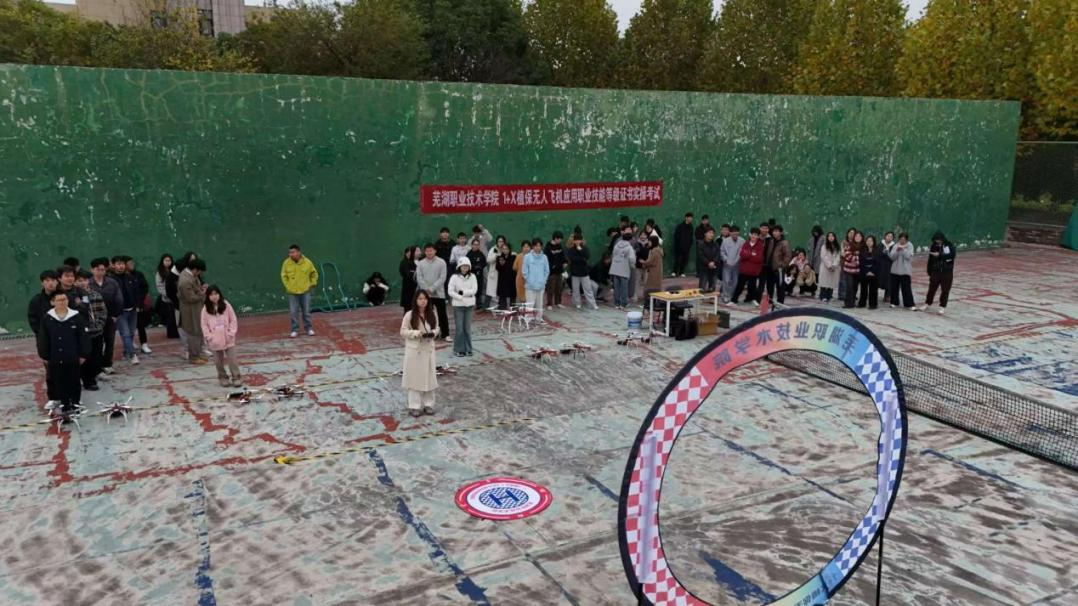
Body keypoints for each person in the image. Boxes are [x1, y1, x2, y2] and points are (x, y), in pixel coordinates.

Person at [36, 290, 89, 415]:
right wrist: (44, 355)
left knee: (74, 380)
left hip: (73, 356)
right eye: (59, 300)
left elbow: (83, 337)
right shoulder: (47, 318)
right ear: (52, 302)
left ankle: (75, 403)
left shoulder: (76, 317)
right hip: (55, 357)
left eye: (64, 299)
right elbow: (43, 338)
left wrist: (83, 354)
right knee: (59, 381)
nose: (62, 302)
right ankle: (64, 405)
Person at [400, 290, 439, 417]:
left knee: (429, 377)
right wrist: (415, 333)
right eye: (420, 298)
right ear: (416, 300)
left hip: (428, 349)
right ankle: (414, 406)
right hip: (415, 350)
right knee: (414, 378)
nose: (423, 301)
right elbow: (403, 331)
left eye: (425, 298)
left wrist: (433, 333)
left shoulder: (432, 313)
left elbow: (437, 328)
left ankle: (429, 404)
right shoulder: (409, 315)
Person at [201, 285, 241, 388]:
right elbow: (204, 324)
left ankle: (236, 377)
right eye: (211, 295)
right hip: (214, 340)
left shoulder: (226, 305)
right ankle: (223, 377)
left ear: (219, 294)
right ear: (208, 296)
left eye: (216, 294)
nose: (214, 296)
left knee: (232, 359)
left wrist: (231, 333)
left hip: (228, 338)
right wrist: (209, 336)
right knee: (218, 361)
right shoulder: (205, 309)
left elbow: (233, 319)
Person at [72, 271, 105, 391]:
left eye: (85, 280)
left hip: (96, 331)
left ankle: (91, 378)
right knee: (84, 358)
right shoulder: (73, 297)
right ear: (75, 282)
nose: (82, 283)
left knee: (95, 357)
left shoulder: (95, 294)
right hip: (82, 333)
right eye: (79, 280)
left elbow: (102, 311)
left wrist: (99, 325)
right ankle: (87, 381)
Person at [88, 258, 122, 374]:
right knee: (96, 343)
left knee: (109, 341)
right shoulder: (88, 283)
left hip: (109, 318)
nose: (100, 272)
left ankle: (107, 364)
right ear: (92, 270)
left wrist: (115, 315)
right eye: (98, 269)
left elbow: (118, 299)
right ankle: (97, 365)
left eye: (102, 270)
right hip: (93, 319)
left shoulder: (112, 283)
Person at [281, 244, 318, 338]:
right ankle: (294, 330)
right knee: (293, 312)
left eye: (293, 252)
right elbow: (283, 276)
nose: (291, 254)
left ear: (298, 252)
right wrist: (288, 286)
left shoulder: (307, 262)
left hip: (305, 291)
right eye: (289, 252)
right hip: (292, 292)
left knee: (306, 311)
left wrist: (312, 283)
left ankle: (309, 328)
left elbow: (314, 273)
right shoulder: (286, 263)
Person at [110, 255, 141, 364]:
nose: (121, 266)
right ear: (113, 265)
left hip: (132, 309)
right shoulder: (111, 280)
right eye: (118, 264)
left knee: (131, 333)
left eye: (122, 264)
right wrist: (114, 311)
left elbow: (137, 292)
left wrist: (137, 305)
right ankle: (133, 355)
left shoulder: (130, 277)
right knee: (125, 333)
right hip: (120, 311)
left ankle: (126, 352)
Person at [416, 243, 450, 340]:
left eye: (431, 250)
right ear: (425, 252)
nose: (429, 252)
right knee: (429, 315)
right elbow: (419, 278)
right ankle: (433, 333)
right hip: (425, 295)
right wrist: (426, 289)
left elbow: (443, 277)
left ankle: (445, 334)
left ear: (435, 251)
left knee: (442, 314)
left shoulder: (441, 262)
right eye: (427, 251)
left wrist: (432, 288)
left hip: (439, 293)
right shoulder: (421, 263)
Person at [179, 259, 209, 365]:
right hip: (190, 310)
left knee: (199, 331)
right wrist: (203, 293)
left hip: (196, 308)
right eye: (200, 271)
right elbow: (191, 298)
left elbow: (195, 290)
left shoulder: (190, 276)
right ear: (195, 269)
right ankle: (193, 357)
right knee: (193, 333)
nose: (200, 274)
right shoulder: (185, 280)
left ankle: (198, 354)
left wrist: (200, 289)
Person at [448, 258, 478, 357]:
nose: (465, 268)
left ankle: (468, 349)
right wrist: (459, 297)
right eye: (463, 266)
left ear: (469, 267)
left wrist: (463, 292)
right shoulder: (454, 277)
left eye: (467, 266)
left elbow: (474, 290)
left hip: (469, 305)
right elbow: (450, 291)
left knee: (467, 329)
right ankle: (459, 349)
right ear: (459, 267)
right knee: (459, 329)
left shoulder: (472, 276)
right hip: (458, 306)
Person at [123, 257, 153, 355]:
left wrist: (139, 300)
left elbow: (145, 287)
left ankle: (144, 344)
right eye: (129, 263)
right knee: (128, 328)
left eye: (132, 262)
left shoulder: (139, 274)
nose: (132, 264)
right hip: (126, 306)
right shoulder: (121, 277)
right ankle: (130, 344)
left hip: (138, 304)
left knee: (141, 325)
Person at [924, 231, 956, 314]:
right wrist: (929, 270)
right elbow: (930, 259)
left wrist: (940, 255)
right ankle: (927, 303)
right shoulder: (934, 246)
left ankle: (942, 306)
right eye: (936, 240)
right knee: (932, 288)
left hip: (947, 271)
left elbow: (952, 256)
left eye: (939, 239)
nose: (937, 241)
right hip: (936, 270)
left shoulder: (949, 245)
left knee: (945, 290)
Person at [731, 228, 764, 305]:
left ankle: (752, 299)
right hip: (744, 270)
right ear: (750, 234)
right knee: (739, 286)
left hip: (753, 271)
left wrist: (748, 254)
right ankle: (733, 300)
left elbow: (759, 258)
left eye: (756, 235)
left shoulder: (760, 246)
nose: (753, 236)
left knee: (752, 287)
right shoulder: (745, 243)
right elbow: (742, 254)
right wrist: (752, 254)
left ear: (758, 236)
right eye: (752, 234)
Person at [566, 234, 598, 310]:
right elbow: (572, 258)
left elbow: (587, 256)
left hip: (584, 272)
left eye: (579, 240)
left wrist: (580, 250)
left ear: (581, 240)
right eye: (576, 240)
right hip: (575, 272)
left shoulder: (585, 248)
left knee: (588, 289)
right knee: (575, 289)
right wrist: (582, 259)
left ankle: (592, 304)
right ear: (573, 241)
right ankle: (577, 303)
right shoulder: (571, 250)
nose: (577, 241)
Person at [523, 238, 550, 323]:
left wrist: (543, 281)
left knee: (539, 304)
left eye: (539, 246)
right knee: (530, 303)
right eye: (536, 246)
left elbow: (546, 270)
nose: (538, 247)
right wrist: (529, 280)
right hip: (530, 286)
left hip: (540, 285)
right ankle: (528, 318)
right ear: (533, 246)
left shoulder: (544, 257)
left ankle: (539, 318)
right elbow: (524, 271)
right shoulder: (527, 257)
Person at [888, 233, 917, 310]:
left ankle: (909, 304)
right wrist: (897, 251)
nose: (902, 241)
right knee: (894, 287)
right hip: (895, 270)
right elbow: (892, 257)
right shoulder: (895, 245)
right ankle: (894, 302)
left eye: (904, 239)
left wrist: (903, 250)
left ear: (906, 240)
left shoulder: (910, 245)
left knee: (906, 288)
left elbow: (909, 257)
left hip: (905, 270)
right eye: (900, 239)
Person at [27, 270, 60, 337]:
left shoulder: (64, 298)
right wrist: (41, 333)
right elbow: (33, 319)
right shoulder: (36, 300)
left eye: (53, 280)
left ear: (57, 282)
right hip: (44, 337)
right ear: (42, 283)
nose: (50, 283)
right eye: (47, 280)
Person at [155, 254, 180, 339]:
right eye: (166, 260)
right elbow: (159, 287)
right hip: (167, 299)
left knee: (176, 317)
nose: (168, 262)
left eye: (169, 260)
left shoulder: (174, 271)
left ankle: (176, 332)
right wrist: (168, 294)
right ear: (162, 262)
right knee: (170, 317)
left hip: (176, 298)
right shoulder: (159, 272)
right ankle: (172, 334)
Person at [610, 231, 636, 310]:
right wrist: (632, 265)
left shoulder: (616, 246)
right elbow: (632, 259)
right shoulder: (629, 248)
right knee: (624, 288)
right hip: (624, 269)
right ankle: (623, 304)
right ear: (630, 239)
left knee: (616, 287)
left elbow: (613, 255)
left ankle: (616, 303)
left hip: (615, 269)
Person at [767, 225, 792, 304]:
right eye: (774, 231)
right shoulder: (771, 241)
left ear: (781, 232)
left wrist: (782, 265)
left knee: (780, 287)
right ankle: (770, 301)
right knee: (769, 286)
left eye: (777, 231)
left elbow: (788, 256)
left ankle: (780, 303)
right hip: (770, 267)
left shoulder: (784, 243)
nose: (775, 233)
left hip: (779, 269)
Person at [544, 231, 567, 309]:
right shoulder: (548, 247)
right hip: (552, 272)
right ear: (555, 238)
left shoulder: (559, 246)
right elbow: (546, 259)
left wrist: (565, 262)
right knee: (551, 288)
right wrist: (553, 266)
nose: (560, 241)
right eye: (559, 239)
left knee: (559, 288)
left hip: (559, 271)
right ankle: (549, 304)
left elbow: (562, 256)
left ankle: (558, 303)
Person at [720, 226, 743, 303]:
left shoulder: (742, 241)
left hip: (737, 265)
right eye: (733, 234)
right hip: (727, 264)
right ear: (730, 233)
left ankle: (732, 295)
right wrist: (725, 259)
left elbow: (742, 252)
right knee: (726, 280)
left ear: (739, 233)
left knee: (735, 281)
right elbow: (722, 252)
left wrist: (738, 261)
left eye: (736, 234)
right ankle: (725, 296)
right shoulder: (725, 241)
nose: (735, 236)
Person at [858, 235, 881, 309]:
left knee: (873, 289)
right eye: (867, 241)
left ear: (874, 242)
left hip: (874, 273)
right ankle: (862, 303)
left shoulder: (877, 251)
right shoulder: (862, 250)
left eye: (871, 241)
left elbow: (878, 263)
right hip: (864, 272)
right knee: (863, 289)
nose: (869, 242)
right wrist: (866, 271)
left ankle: (873, 304)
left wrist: (872, 271)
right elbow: (861, 262)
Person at [842, 232, 864, 309]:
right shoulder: (849, 245)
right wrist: (857, 256)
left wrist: (856, 256)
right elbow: (848, 257)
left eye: (859, 236)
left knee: (855, 287)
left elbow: (863, 258)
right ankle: (848, 303)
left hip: (858, 271)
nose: (858, 237)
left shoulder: (863, 247)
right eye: (856, 236)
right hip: (849, 270)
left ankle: (852, 302)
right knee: (849, 287)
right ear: (854, 237)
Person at [817, 232, 841, 303]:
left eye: (832, 236)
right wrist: (829, 265)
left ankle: (829, 295)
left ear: (834, 237)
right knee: (824, 282)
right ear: (827, 238)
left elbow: (838, 256)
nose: (831, 237)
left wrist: (834, 265)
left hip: (834, 267)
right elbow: (823, 256)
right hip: (825, 267)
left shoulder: (837, 247)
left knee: (831, 282)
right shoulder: (824, 246)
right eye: (829, 236)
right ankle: (823, 296)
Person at [485, 235, 507, 310]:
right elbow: (488, 260)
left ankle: (502, 306)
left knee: (501, 291)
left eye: (502, 241)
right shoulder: (493, 249)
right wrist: (496, 257)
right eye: (499, 241)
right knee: (490, 291)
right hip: (494, 273)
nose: (500, 243)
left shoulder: (505, 249)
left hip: (502, 273)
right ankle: (485, 306)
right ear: (497, 242)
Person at [466, 238, 488, 309]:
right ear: (472, 245)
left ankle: (479, 304)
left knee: (479, 290)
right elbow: (467, 265)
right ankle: (470, 304)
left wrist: (479, 267)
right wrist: (474, 267)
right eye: (474, 244)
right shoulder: (468, 254)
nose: (476, 246)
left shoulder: (481, 254)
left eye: (477, 245)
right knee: (471, 290)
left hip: (479, 276)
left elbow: (484, 263)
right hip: (471, 276)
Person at [495, 241, 518, 310]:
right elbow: (497, 268)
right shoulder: (499, 257)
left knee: (512, 296)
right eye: (503, 249)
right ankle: (502, 308)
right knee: (502, 295)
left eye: (507, 249)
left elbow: (515, 268)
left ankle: (513, 309)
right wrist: (501, 264)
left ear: (510, 249)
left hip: (512, 280)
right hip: (502, 280)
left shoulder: (514, 257)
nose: (505, 250)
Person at [697, 227, 720, 293]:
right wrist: (708, 263)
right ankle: (701, 297)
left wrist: (714, 262)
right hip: (704, 268)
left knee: (712, 287)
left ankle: (711, 297)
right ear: (705, 234)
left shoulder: (716, 244)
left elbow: (718, 254)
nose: (711, 234)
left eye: (713, 233)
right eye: (709, 233)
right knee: (702, 287)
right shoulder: (700, 244)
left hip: (714, 268)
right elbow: (701, 255)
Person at [672, 212, 694, 277]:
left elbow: (691, 237)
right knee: (678, 260)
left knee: (685, 260)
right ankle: (674, 272)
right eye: (689, 217)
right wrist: (678, 245)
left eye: (691, 218)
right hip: (679, 247)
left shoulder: (691, 227)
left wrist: (689, 245)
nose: (691, 219)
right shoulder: (680, 226)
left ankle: (681, 272)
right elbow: (676, 236)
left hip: (687, 247)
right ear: (686, 218)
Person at [399, 247, 418, 313]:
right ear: (405, 253)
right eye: (408, 253)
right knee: (408, 309)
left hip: (414, 288)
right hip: (407, 288)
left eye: (411, 253)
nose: (410, 254)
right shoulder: (404, 263)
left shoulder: (415, 262)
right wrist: (413, 273)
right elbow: (407, 274)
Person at [839, 228, 856, 300]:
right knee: (843, 278)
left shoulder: (856, 242)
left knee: (852, 280)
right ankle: (842, 295)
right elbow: (842, 253)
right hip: (844, 262)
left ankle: (851, 294)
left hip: (853, 264)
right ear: (848, 233)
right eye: (850, 233)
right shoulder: (844, 242)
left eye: (853, 233)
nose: (851, 234)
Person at [878, 231, 896, 304]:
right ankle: (873, 294)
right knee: (877, 280)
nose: (889, 237)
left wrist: (887, 254)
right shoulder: (880, 244)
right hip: (880, 265)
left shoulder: (894, 246)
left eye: (891, 236)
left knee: (889, 281)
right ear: (885, 236)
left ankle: (887, 296)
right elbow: (877, 254)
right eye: (888, 236)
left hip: (890, 266)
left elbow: (894, 256)